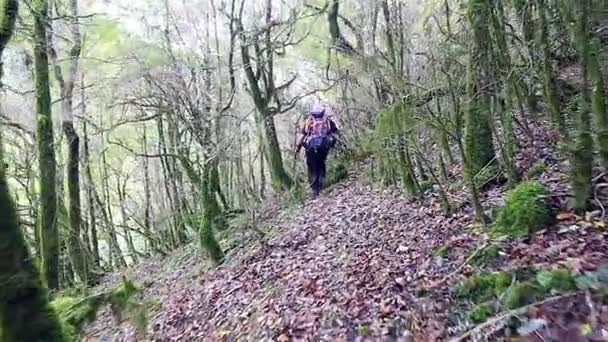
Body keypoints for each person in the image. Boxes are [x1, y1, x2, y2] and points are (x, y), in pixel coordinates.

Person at [295, 104, 339, 197]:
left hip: (310, 148)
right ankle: (321, 184)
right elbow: (335, 132)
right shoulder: (327, 121)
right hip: (323, 147)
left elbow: (302, 136)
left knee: (312, 167)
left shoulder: (308, 122)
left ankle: (314, 189)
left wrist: (297, 149)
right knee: (321, 164)